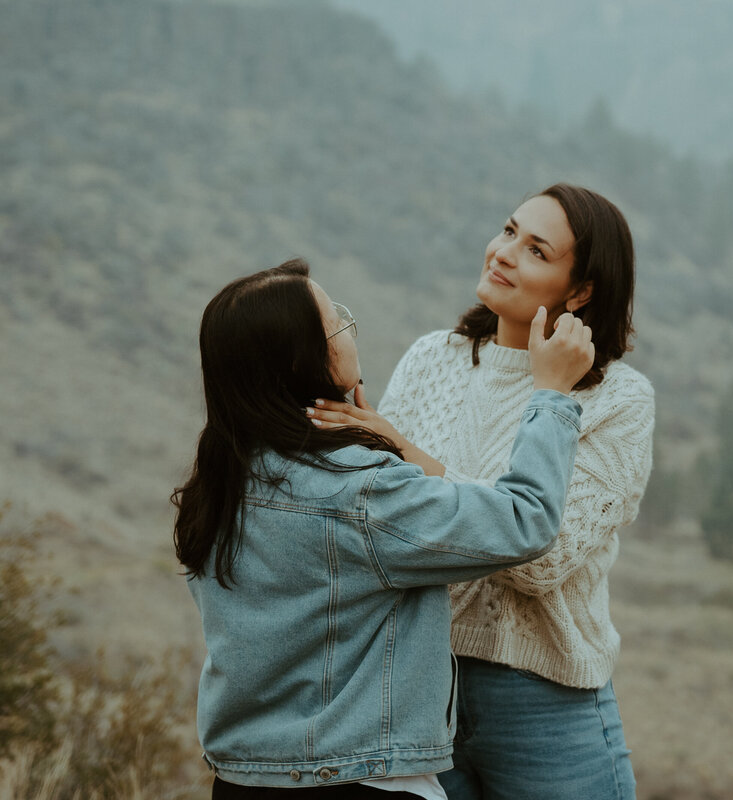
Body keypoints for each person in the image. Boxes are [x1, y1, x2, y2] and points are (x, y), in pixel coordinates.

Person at [172, 258, 597, 799]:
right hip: (359, 778)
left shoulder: (221, 483)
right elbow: (524, 520)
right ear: (306, 356)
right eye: (338, 322)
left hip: (242, 778)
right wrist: (553, 394)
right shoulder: (359, 493)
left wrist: (387, 450)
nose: (351, 330)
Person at [310, 184, 653, 799]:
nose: (502, 252)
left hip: (545, 706)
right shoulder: (431, 359)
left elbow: (541, 559)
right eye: (508, 230)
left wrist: (404, 451)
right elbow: (384, 522)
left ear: (581, 291)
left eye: (537, 251)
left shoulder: (618, 400)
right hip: (415, 693)